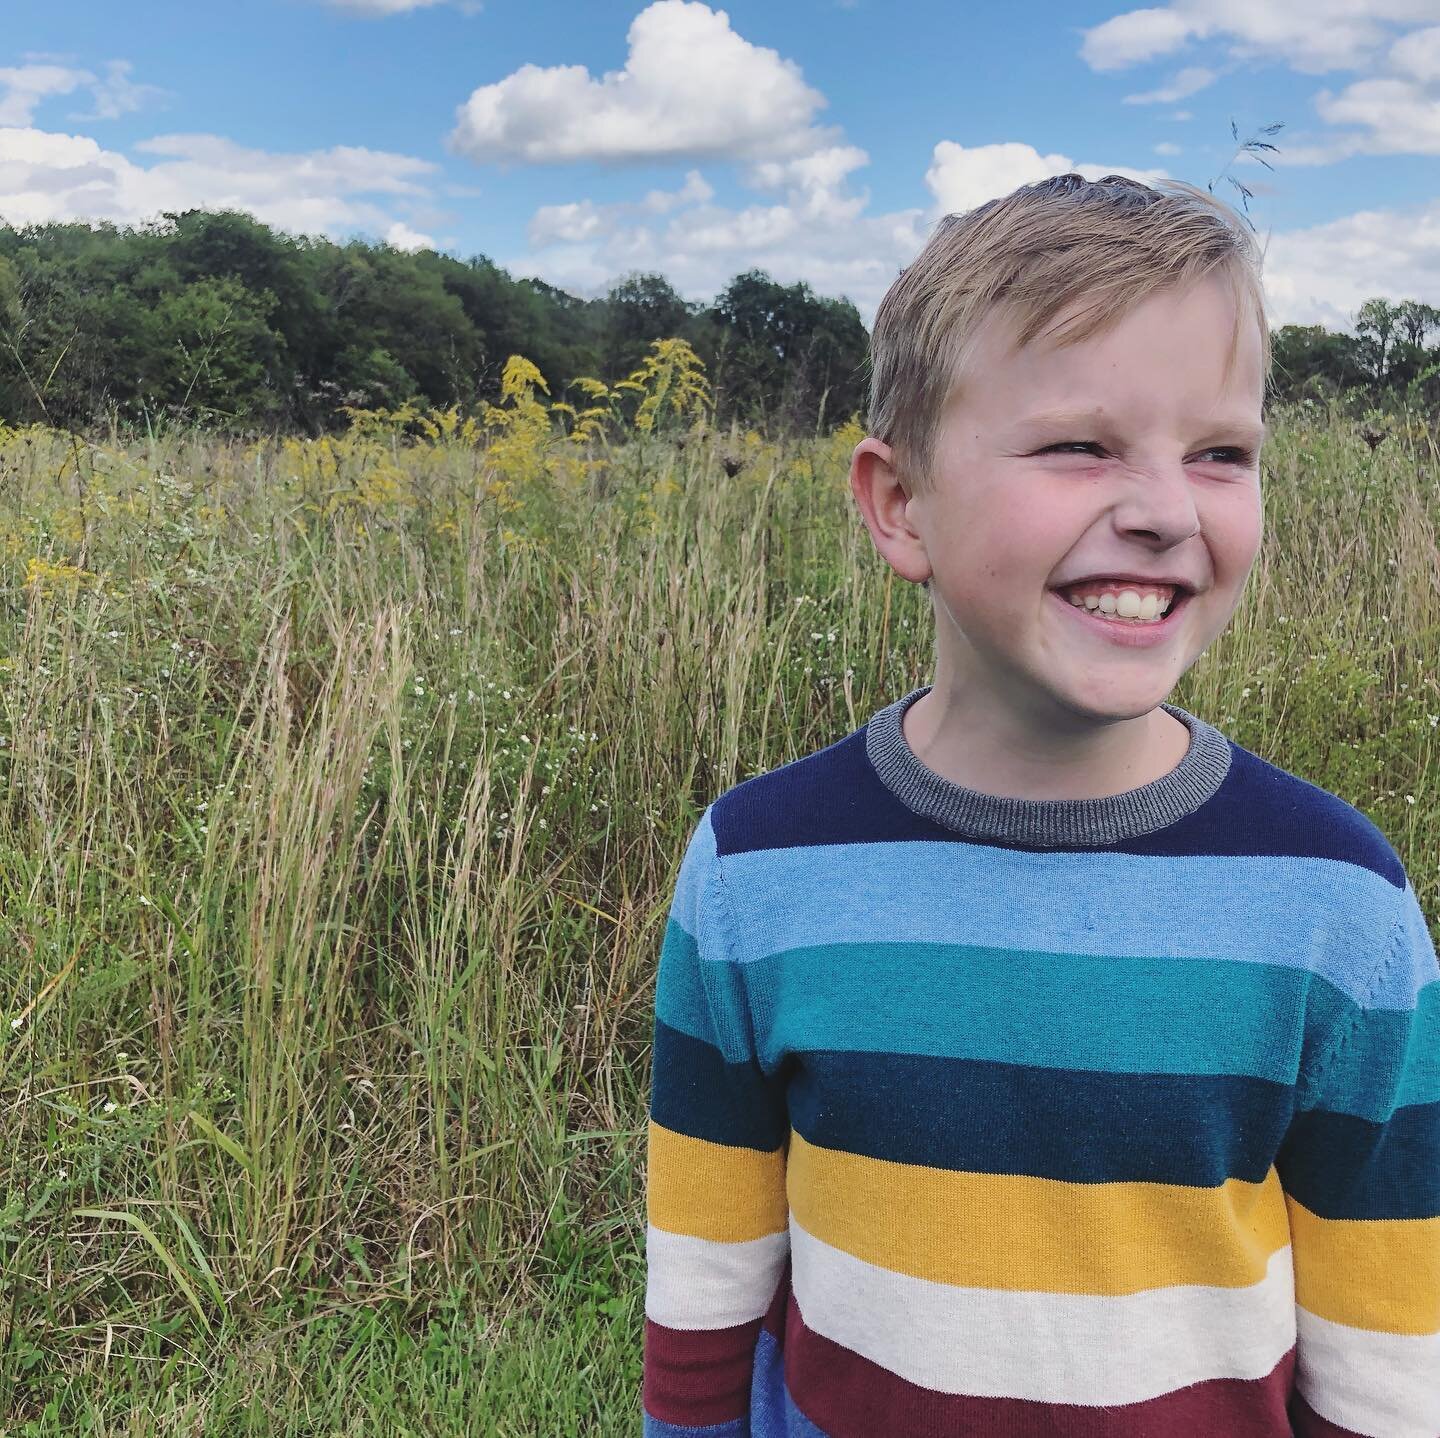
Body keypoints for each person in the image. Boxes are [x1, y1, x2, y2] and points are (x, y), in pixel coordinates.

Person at [640, 173, 1439, 1436]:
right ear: (900, 503)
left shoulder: (1338, 902)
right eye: (1082, 444)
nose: (1169, 511)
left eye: (1221, 453)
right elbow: (706, 1273)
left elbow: (1387, 1335)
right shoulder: (759, 866)